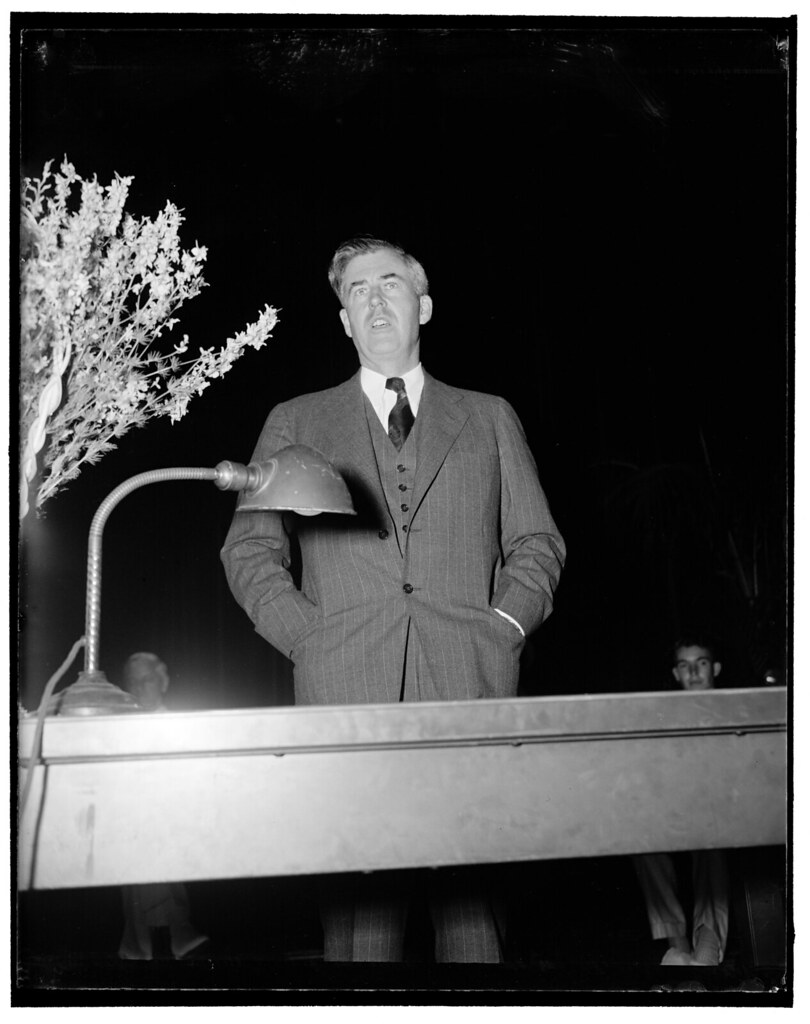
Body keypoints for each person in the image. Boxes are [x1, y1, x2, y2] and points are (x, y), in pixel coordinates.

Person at [221, 236, 566, 962]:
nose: (374, 299)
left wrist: (502, 625)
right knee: (360, 938)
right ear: (344, 319)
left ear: (425, 306)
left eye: (390, 285)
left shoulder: (490, 416)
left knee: (475, 927)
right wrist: (309, 638)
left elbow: (537, 543)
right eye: (355, 290)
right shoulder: (296, 420)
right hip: (345, 700)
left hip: (468, 692)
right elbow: (249, 552)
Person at [633, 637, 730, 967]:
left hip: (729, 810)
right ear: (676, 674)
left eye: (700, 663)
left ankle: (708, 942)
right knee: (643, 836)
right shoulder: (665, 718)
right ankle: (675, 941)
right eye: (684, 666)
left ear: (714, 668)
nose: (693, 672)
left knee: (712, 841)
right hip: (681, 808)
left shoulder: (738, 709)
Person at [117, 652, 210, 961]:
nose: (140, 688)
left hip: (175, 814)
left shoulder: (181, 725)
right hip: (128, 817)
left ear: (164, 681)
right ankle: (176, 929)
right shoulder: (115, 728)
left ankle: (139, 940)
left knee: (155, 835)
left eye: (147, 680)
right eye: (133, 682)